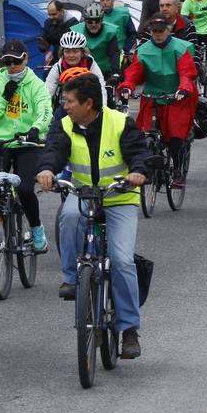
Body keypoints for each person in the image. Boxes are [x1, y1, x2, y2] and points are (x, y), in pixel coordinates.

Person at [36, 72, 148, 359]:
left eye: (70, 101)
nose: (66, 106)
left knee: (122, 261)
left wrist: (138, 172)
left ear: (89, 103)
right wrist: (48, 170)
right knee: (69, 218)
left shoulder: (121, 122)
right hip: (83, 195)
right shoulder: (64, 124)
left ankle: (129, 329)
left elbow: (139, 154)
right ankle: (73, 278)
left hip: (119, 197)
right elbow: (53, 151)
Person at [0, 41, 53, 253]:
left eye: (16, 61)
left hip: (28, 143)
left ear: (26, 59)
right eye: (7, 62)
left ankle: (37, 228)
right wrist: (4, 98)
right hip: (1, 142)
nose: (12, 66)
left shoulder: (36, 84)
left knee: (24, 189)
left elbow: (45, 111)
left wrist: (36, 129)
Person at [118, 12, 197, 188]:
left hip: (177, 97)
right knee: (145, 133)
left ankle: (178, 170)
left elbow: (187, 73)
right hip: (152, 97)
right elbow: (135, 72)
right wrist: (127, 85)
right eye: (154, 31)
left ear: (168, 30)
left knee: (176, 136)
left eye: (161, 31)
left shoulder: (181, 48)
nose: (158, 34)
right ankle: (146, 168)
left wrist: (183, 89)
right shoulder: (143, 50)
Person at [45, 30, 107, 99]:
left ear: (82, 52)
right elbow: (47, 92)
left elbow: (101, 90)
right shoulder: (58, 67)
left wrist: (101, 109)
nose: (71, 55)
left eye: (75, 51)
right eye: (67, 51)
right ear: (62, 53)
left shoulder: (90, 64)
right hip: (65, 104)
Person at [72, 2, 121, 77]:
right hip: (83, 71)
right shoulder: (77, 32)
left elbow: (113, 54)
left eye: (97, 21)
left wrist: (115, 73)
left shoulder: (109, 32)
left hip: (105, 71)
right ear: (85, 20)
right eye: (90, 22)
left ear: (102, 20)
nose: (94, 25)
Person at [40, 0, 76, 67]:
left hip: (70, 59)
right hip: (55, 58)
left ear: (61, 11)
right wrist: (43, 46)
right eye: (49, 14)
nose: (51, 17)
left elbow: (73, 45)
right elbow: (46, 42)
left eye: (54, 14)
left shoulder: (72, 23)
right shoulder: (48, 22)